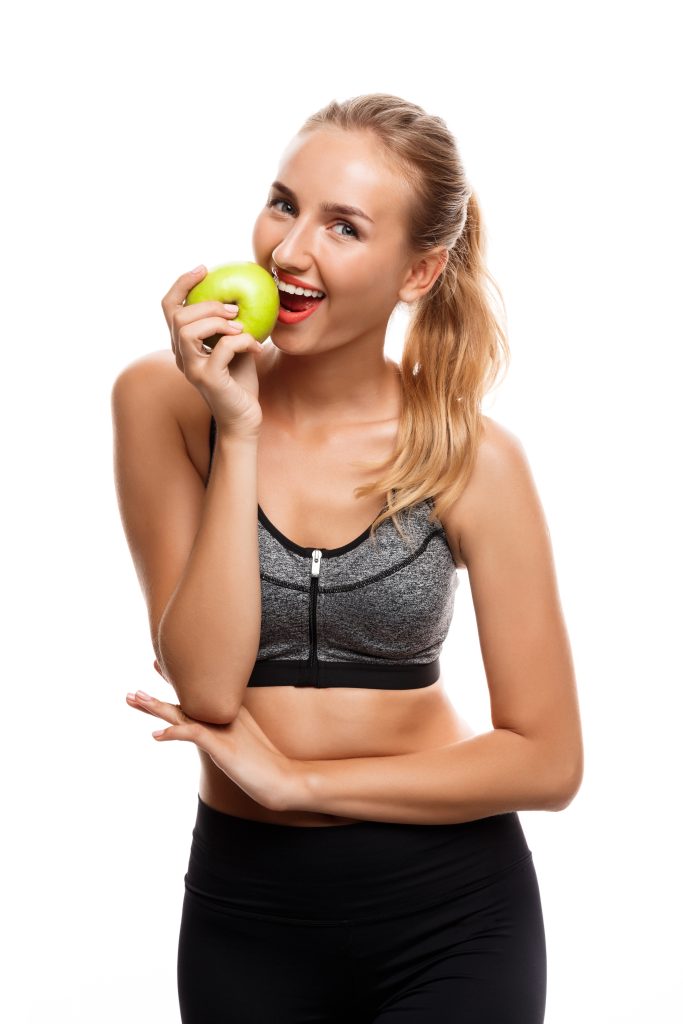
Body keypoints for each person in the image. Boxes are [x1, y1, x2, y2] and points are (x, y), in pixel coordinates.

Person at [111, 92, 583, 1023]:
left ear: (419, 271)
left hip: (451, 912)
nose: (289, 252)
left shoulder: (470, 456)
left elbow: (547, 759)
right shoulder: (162, 402)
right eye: (284, 204)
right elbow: (208, 688)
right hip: (246, 913)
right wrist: (236, 428)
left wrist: (303, 784)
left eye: (343, 227)